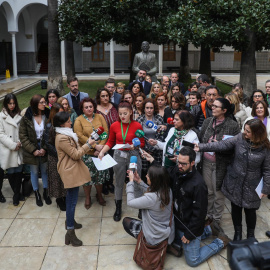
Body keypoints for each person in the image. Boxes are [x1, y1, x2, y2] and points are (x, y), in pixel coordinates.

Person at [195, 119, 270, 241]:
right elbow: (221, 145)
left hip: (252, 185)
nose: (244, 132)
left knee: (250, 211)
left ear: (257, 133)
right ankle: (238, 232)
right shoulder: (240, 138)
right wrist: (201, 147)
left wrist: (266, 188)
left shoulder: (266, 147)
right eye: (244, 130)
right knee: (236, 208)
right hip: (235, 182)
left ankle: (251, 235)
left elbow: (267, 169)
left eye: (248, 131)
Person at [167, 147, 230, 267]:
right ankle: (208, 229)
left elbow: (199, 213)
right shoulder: (178, 170)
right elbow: (166, 174)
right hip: (180, 222)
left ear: (192, 163)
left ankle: (220, 242)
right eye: (178, 162)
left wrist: (190, 233)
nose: (179, 166)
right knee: (176, 243)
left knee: (192, 260)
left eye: (183, 164)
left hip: (190, 226)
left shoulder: (199, 185)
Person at [53, 111, 95, 246]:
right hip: (70, 172)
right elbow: (76, 154)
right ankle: (70, 232)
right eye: (68, 121)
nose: (70, 122)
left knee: (72, 200)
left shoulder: (66, 134)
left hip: (73, 170)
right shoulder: (62, 138)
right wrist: (88, 144)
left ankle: (69, 222)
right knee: (71, 202)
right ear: (61, 124)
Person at [199, 98, 240, 236]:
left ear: (224, 110)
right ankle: (208, 216)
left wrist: (220, 145)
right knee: (208, 191)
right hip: (206, 163)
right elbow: (200, 140)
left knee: (219, 193)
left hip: (221, 164)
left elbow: (236, 148)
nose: (212, 107)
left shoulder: (233, 125)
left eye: (216, 106)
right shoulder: (207, 122)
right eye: (213, 105)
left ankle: (216, 220)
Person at [98, 102, 145, 222]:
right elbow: (110, 141)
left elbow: (142, 143)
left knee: (136, 179)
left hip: (133, 155)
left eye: (125, 113)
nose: (122, 116)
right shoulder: (114, 125)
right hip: (119, 155)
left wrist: (134, 146)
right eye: (120, 114)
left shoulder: (137, 126)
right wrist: (102, 152)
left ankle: (140, 208)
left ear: (130, 112)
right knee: (118, 182)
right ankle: (118, 208)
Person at [123, 165, 174, 249]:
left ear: (154, 180)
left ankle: (155, 245)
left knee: (126, 222)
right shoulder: (168, 190)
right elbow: (152, 191)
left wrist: (131, 182)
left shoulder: (151, 198)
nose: (146, 176)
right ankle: (165, 245)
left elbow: (130, 202)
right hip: (165, 232)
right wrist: (139, 181)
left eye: (148, 175)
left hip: (155, 236)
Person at [74, 98, 109, 209]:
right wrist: (94, 146)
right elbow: (80, 136)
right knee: (87, 178)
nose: (89, 109)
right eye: (86, 107)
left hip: (100, 153)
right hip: (87, 153)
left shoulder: (100, 117)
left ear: (94, 107)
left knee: (99, 177)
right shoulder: (79, 120)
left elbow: (106, 132)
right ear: (82, 109)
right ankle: (88, 197)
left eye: (91, 106)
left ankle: (99, 195)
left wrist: (100, 148)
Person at [19, 94, 51, 207]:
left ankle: (46, 192)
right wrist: (33, 150)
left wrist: (45, 148)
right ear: (35, 104)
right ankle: (37, 192)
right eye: (41, 102)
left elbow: (51, 133)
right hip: (31, 147)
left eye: (44, 102)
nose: (44, 104)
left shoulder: (47, 114)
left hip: (44, 146)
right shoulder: (27, 117)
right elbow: (23, 136)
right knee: (34, 171)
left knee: (44, 170)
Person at [0, 94, 24, 206]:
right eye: (10, 103)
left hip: (19, 147)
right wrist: (13, 145)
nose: (12, 105)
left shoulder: (20, 115)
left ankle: (16, 194)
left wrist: (19, 143)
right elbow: (1, 134)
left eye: (14, 103)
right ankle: (16, 193)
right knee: (11, 171)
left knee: (19, 171)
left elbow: (23, 132)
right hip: (8, 148)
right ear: (6, 103)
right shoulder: (1, 116)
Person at [96, 88, 119, 194]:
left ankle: (110, 182)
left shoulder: (114, 106)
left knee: (111, 163)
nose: (105, 98)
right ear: (99, 97)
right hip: (101, 141)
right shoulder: (95, 109)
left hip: (114, 140)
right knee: (103, 162)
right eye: (103, 96)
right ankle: (104, 184)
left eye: (107, 96)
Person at [44, 103, 66, 211]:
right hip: (54, 157)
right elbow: (48, 144)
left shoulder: (63, 124)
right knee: (56, 179)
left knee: (64, 178)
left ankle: (65, 196)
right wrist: (59, 154)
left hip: (64, 156)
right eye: (59, 112)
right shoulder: (49, 126)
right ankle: (59, 199)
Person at [137, 99, 165, 181]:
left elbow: (161, 135)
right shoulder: (139, 120)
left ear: (154, 108)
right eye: (147, 108)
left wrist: (154, 147)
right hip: (143, 151)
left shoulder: (159, 119)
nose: (149, 110)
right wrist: (145, 150)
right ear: (144, 109)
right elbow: (138, 137)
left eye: (151, 108)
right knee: (144, 174)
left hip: (156, 151)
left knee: (156, 174)